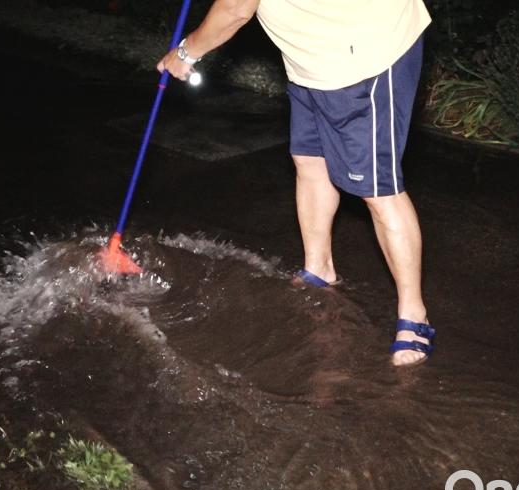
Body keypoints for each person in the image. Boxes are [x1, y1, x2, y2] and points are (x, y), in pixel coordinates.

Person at [158, 0, 435, 366]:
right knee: (309, 160)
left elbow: (236, 7)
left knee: (378, 189)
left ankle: (415, 315)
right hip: (312, 58)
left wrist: (186, 51)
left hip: (367, 53)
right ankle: (318, 269)